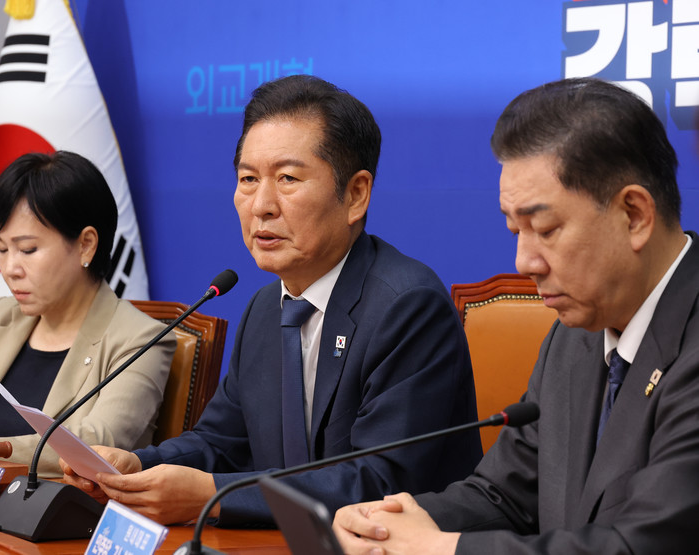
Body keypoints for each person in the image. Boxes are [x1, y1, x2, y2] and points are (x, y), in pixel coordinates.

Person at [61, 75, 481, 526]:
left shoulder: (407, 306)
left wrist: (212, 496)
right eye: (248, 179)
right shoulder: (265, 308)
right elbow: (221, 443)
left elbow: (381, 482)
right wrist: (137, 466)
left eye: (287, 178)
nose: (261, 204)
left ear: (356, 194)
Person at [333, 77, 699, 554]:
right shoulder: (574, 337)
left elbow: (644, 543)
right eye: (515, 231)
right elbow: (503, 496)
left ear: (634, 215)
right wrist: (386, 524)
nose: (524, 262)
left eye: (545, 229)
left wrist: (443, 550)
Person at [0, 151, 174, 477]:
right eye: (2, 248)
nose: (10, 268)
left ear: (85, 245)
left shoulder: (140, 340)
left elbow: (96, 443)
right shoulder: (0, 318)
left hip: (56, 508)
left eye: (28, 249)